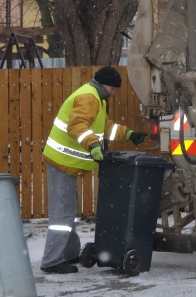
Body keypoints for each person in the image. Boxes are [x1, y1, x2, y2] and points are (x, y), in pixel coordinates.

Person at [40, 66, 147, 274]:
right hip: (63, 161)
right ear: (103, 83)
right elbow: (77, 125)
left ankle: (69, 253)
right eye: (113, 88)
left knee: (68, 211)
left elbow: (105, 127)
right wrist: (93, 145)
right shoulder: (89, 97)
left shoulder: (97, 99)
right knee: (62, 214)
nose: (114, 92)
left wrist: (129, 134)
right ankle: (52, 260)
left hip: (67, 164)